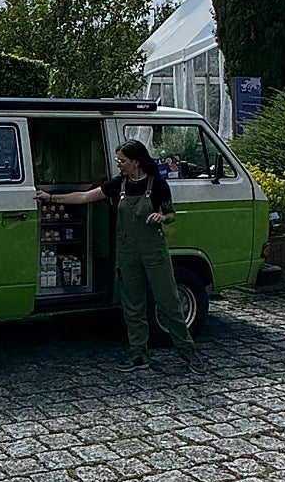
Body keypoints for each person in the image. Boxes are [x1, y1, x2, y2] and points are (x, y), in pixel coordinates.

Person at [35, 139, 197, 372]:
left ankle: (187, 351)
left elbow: (171, 214)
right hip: (127, 253)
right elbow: (84, 197)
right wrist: (51, 198)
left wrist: (162, 217)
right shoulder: (118, 185)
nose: (118, 164)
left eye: (122, 161)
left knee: (168, 302)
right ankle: (138, 354)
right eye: (117, 160)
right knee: (132, 306)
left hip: (154, 253)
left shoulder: (158, 185)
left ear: (136, 162)